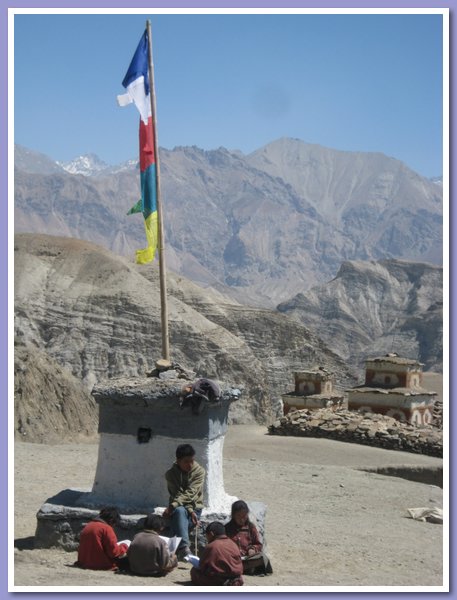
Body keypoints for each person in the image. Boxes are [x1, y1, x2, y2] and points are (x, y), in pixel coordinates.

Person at [163, 443, 205, 558]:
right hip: (181, 508)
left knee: (177, 513)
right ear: (178, 461)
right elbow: (177, 495)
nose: (190, 464)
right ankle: (185, 548)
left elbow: (191, 493)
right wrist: (189, 510)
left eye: (192, 461)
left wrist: (191, 510)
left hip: (195, 508)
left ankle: (174, 549)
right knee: (180, 511)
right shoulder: (170, 475)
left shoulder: (199, 472)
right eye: (186, 461)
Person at [225, 500, 273, 575]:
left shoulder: (251, 527)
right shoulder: (227, 528)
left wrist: (252, 549)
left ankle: (241, 568)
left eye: (244, 516)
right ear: (233, 515)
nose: (242, 519)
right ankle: (243, 569)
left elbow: (258, 544)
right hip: (233, 560)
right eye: (239, 516)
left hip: (247, 559)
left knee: (262, 558)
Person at [190, 521, 243, 586]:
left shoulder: (212, 546)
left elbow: (202, 566)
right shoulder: (233, 544)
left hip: (219, 582)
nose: (207, 539)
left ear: (211, 534)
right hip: (236, 580)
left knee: (194, 571)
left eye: (207, 536)